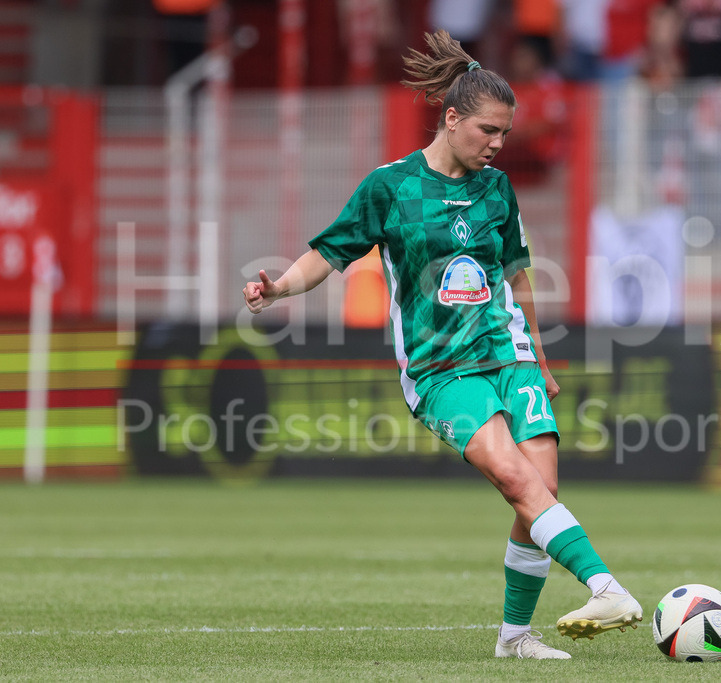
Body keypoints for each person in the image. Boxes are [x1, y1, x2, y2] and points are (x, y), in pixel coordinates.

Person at [242, 29, 642, 661]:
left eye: (505, 133)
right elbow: (329, 252)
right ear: (451, 119)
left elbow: (515, 272)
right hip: (441, 371)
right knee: (515, 479)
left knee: (540, 494)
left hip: (508, 353)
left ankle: (515, 638)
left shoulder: (497, 190)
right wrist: (278, 288)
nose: (498, 144)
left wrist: (536, 355)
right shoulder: (391, 187)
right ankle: (607, 586)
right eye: (488, 130)